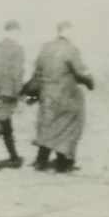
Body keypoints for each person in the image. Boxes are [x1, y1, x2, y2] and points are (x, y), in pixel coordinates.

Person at [28, 21, 94, 173]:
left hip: (46, 94)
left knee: (47, 125)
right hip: (65, 94)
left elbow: (37, 70)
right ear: (68, 31)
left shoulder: (45, 47)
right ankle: (64, 162)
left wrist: (33, 93)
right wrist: (90, 83)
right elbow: (81, 72)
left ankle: (41, 161)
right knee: (71, 124)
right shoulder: (71, 49)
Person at [0, 20, 26, 167]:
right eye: (17, 32)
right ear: (14, 32)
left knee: (5, 125)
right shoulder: (17, 49)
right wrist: (20, 95)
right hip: (9, 93)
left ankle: (14, 156)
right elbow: (17, 74)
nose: (18, 35)